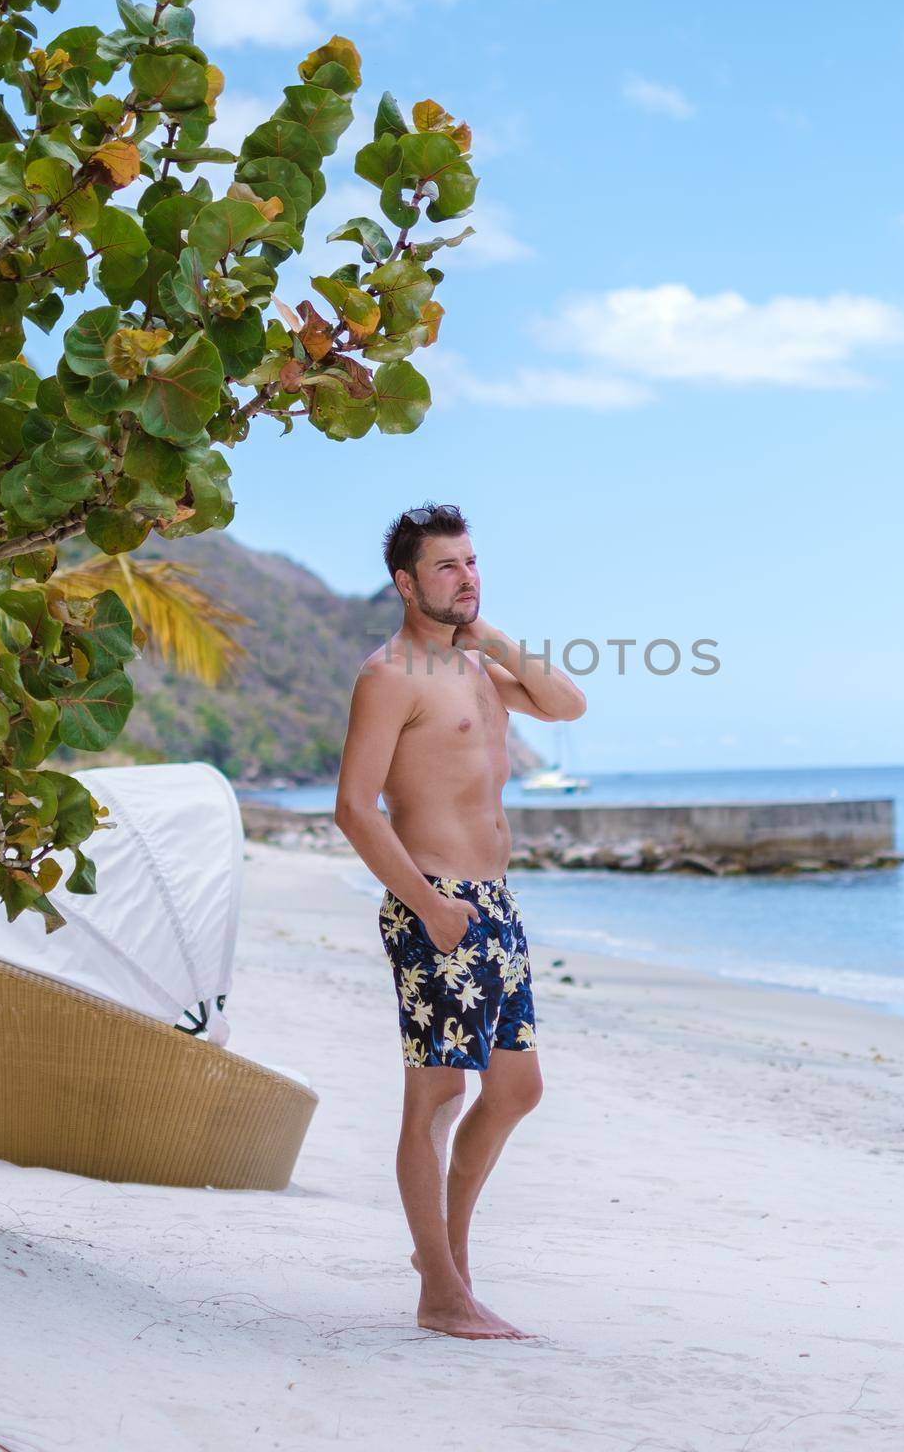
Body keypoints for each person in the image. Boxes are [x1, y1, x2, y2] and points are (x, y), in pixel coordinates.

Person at [334, 502, 587, 1340]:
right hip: (433, 901)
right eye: (446, 567)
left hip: (497, 905)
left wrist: (496, 639)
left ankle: (445, 1261)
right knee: (438, 1095)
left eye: (472, 563)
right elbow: (354, 809)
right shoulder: (391, 675)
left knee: (517, 1088)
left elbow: (568, 706)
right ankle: (442, 1289)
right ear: (405, 584)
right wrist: (430, 906)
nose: (466, 577)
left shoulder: (479, 669)